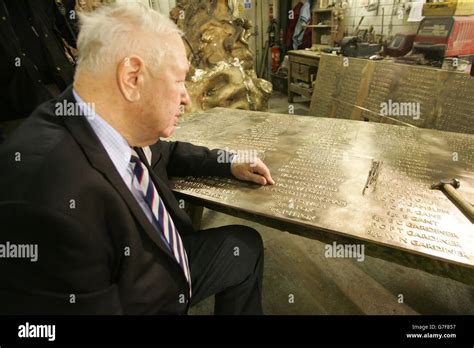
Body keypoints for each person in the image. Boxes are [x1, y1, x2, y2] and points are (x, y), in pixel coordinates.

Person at [0, 3, 274, 315]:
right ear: (132, 77)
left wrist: (228, 162)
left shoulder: (103, 114)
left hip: (168, 260)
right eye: (178, 80)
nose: (186, 96)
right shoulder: (51, 198)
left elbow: (165, 153)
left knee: (245, 247)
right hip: (143, 298)